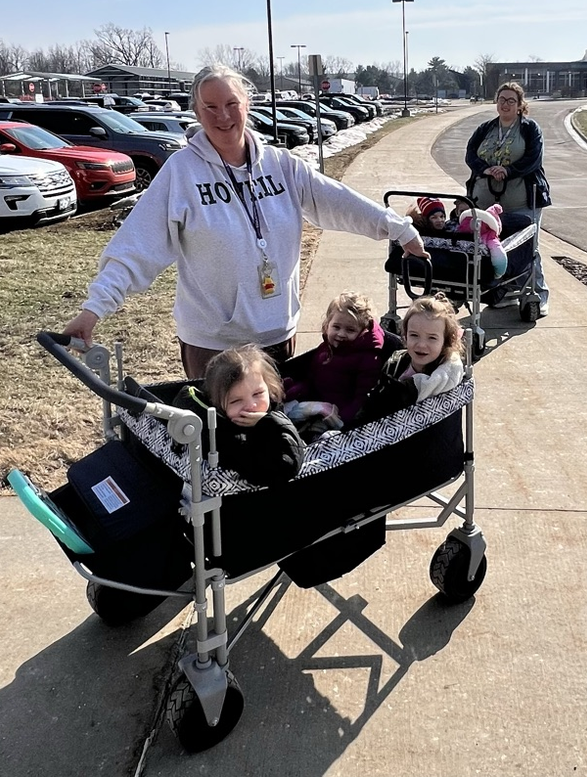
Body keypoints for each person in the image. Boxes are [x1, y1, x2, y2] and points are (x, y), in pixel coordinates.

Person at [63, 67, 428, 377]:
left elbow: (341, 202)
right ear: (197, 112)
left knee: (275, 440)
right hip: (214, 346)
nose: (223, 116)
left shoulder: (281, 166)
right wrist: (93, 310)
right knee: (218, 446)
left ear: (247, 106)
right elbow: (136, 247)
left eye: (231, 104)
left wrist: (400, 229)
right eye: (210, 107)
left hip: (276, 335)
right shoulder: (182, 173)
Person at [464, 81, 551, 315]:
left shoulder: (530, 129)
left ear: (520, 105)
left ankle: (537, 294)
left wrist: (508, 171)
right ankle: (502, 292)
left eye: (511, 100)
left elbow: (533, 159)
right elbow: (470, 155)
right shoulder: (485, 129)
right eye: (502, 99)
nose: (505, 104)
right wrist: (486, 169)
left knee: (525, 247)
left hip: (522, 202)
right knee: (492, 249)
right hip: (486, 203)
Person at [173, 345, 305, 487]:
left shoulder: (271, 405)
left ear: (269, 387)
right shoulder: (227, 439)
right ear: (216, 404)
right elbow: (287, 467)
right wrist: (276, 423)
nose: (251, 406)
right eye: (236, 401)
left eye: (258, 394)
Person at [353, 294, 464, 425]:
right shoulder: (395, 363)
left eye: (432, 338)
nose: (421, 344)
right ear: (405, 336)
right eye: (414, 335)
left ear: (445, 341)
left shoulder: (443, 378)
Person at [283, 291, 386, 430]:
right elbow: (312, 379)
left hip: (340, 417)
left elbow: (362, 400)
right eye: (336, 327)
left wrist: (344, 423)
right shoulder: (326, 349)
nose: (341, 334)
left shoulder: (368, 359)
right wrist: (297, 389)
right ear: (327, 325)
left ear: (362, 332)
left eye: (350, 330)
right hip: (319, 403)